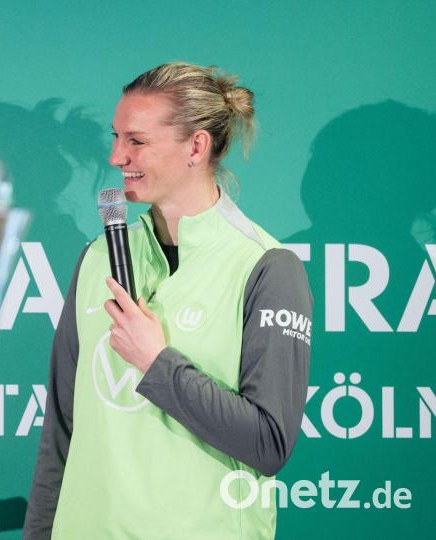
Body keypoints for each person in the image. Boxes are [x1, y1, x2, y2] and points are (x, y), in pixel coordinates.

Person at [23, 62, 312, 539]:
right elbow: (61, 429)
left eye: (136, 141)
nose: (117, 157)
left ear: (196, 146)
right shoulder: (97, 257)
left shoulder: (267, 267)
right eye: (115, 138)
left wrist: (157, 362)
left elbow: (268, 443)